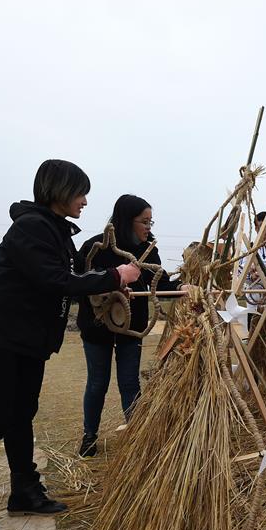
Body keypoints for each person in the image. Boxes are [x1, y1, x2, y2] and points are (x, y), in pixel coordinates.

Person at [0, 159, 140, 530]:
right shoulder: (31, 227)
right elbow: (53, 280)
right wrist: (116, 275)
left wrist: (105, 285)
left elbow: (69, 280)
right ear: (59, 190)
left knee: (20, 415)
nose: (84, 200)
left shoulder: (53, 230)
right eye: (80, 192)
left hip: (24, 338)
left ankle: (24, 491)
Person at [75, 195, 183, 457]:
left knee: (129, 382)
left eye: (150, 221)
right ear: (126, 221)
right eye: (144, 222)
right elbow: (76, 282)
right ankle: (90, 434)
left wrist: (182, 288)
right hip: (97, 326)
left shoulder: (148, 251)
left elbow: (161, 283)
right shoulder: (96, 247)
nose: (149, 227)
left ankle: (136, 436)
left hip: (131, 328)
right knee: (97, 382)